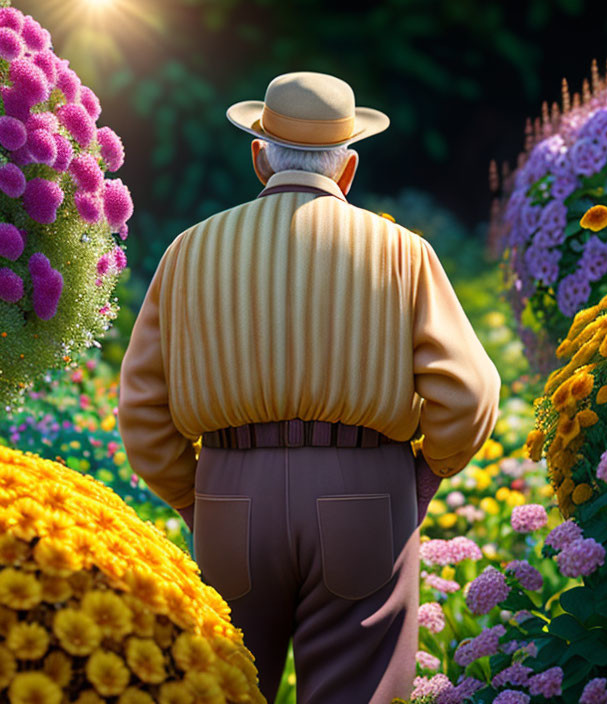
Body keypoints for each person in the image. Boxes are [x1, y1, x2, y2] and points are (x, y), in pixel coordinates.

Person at [117, 71, 502, 704]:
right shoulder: (403, 251)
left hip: (230, 495)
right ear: (347, 169)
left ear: (258, 155)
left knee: (227, 689)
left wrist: (194, 501)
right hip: (366, 491)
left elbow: (141, 403)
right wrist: (426, 475)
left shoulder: (188, 252)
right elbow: (469, 391)